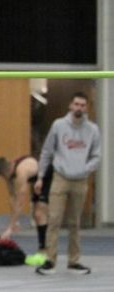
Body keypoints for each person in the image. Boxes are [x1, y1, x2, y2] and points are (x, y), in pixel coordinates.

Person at [34, 92, 101, 276]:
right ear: (70, 105)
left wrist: (85, 168)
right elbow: (47, 151)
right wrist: (40, 176)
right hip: (60, 178)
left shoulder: (92, 130)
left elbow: (97, 155)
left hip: (80, 180)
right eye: (76, 104)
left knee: (75, 223)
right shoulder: (58, 125)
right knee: (54, 220)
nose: (79, 108)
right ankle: (50, 260)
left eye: (82, 105)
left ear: (86, 108)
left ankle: (74, 261)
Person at [0, 155, 52, 258]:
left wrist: (10, 229)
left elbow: (20, 201)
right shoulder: (9, 174)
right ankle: (43, 249)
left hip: (48, 175)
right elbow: (12, 198)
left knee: (39, 214)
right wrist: (12, 223)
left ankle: (44, 251)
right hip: (38, 180)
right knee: (36, 215)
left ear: (8, 169)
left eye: (3, 176)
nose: (4, 179)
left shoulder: (21, 172)